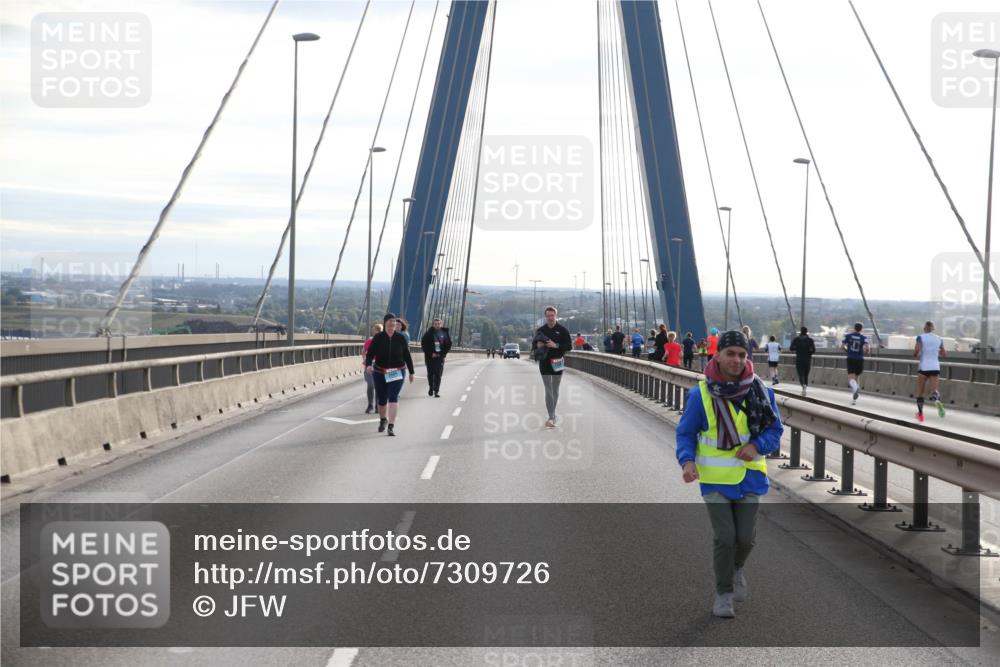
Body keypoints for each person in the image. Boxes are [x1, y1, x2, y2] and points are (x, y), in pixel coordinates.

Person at [676, 330, 783, 618]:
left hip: (750, 475)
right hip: (715, 478)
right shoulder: (700, 395)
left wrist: (757, 445)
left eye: (742, 354)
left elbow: (775, 431)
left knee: (745, 538)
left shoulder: (763, 392)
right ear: (717, 356)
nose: (736, 360)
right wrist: (687, 462)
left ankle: (736, 569)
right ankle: (723, 593)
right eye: (730, 353)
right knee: (725, 537)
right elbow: (685, 433)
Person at [364, 313, 415, 436]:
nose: (392, 323)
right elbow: (370, 354)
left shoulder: (401, 338)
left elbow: (407, 355)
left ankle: (391, 426)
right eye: (390, 321)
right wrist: (368, 365)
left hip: (397, 371)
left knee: (393, 397)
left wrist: (412, 372)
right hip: (380, 372)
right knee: (382, 400)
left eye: (394, 321)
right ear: (385, 323)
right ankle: (383, 420)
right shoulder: (378, 338)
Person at [533, 306, 572, 428]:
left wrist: (556, 345)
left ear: (556, 316)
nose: (550, 318)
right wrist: (538, 345)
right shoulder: (541, 330)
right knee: (548, 389)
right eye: (548, 315)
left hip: (557, 362)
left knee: (555, 389)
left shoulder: (563, 330)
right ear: (545, 317)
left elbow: (569, 346)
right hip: (544, 363)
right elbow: (533, 347)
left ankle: (552, 415)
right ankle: (551, 417)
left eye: (552, 315)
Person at [913, 321, 946, 422]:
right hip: (935, 367)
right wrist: (936, 351)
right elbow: (944, 353)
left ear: (924, 328)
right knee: (934, 390)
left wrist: (915, 354)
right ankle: (937, 400)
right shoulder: (939, 338)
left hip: (923, 367)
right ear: (933, 329)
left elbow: (917, 349)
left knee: (920, 393)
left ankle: (920, 415)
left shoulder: (920, 337)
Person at [420, 317, 451, 398]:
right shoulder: (428, 333)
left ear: (441, 324)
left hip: (440, 357)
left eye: (439, 324)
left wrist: (442, 354)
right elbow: (423, 344)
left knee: (438, 374)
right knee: (430, 373)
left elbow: (448, 345)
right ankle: (431, 387)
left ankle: (436, 391)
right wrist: (430, 353)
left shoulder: (444, 333)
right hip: (430, 357)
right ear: (433, 324)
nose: (437, 325)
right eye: (435, 324)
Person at [842, 322, 869, 404]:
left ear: (854, 328)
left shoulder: (848, 336)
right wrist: (863, 353)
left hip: (850, 358)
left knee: (851, 379)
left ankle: (855, 390)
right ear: (861, 329)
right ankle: (854, 399)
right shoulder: (864, 338)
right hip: (859, 359)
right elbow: (867, 349)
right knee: (856, 378)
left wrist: (847, 350)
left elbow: (842, 346)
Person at [361, 323, 383, 414]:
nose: (374, 333)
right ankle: (370, 405)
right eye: (374, 331)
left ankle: (377, 405)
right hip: (369, 366)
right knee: (370, 385)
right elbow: (363, 352)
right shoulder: (369, 342)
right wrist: (364, 360)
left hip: (380, 366)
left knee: (377, 386)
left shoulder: (384, 342)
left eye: (376, 331)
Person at [789, 327, 816, 395]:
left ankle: (803, 385)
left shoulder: (796, 339)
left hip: (799, 359)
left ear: (800, 332)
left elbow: (791, 348)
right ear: (807, 332)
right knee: (806, 374)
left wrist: (797, 348)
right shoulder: (810, 340)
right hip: (807, 359)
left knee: (801, 374)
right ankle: (805, 385)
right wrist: (809, 352)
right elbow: (813, 350)